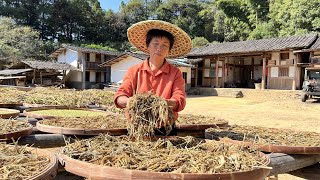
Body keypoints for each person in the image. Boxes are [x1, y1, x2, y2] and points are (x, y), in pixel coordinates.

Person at [114, 20, 192, 135]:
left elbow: (179, 100)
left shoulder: (175, 73)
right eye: (155, 43)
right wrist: (131, 101)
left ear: (169, 50)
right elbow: (120, 96)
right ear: (148, 46)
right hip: (137, 128)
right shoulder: (134, 71)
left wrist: (161, 103)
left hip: (166, 129)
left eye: (164, 45)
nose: (159, 48)